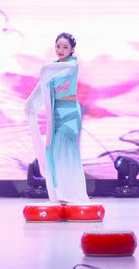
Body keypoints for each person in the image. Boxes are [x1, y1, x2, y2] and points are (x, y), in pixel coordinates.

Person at [24, 32, 89, 204]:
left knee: (67, 153)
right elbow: (41, 86)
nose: (61, 50)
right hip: (56, 114)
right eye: (58, 46)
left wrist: (44, 71)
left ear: (72, 49)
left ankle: (72, 193)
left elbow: (47, 72)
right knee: (54, 153)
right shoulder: (52, 67)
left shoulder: (72, 66)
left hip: (70, 114)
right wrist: (30, 104)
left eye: (65, 47)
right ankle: (60, 192)